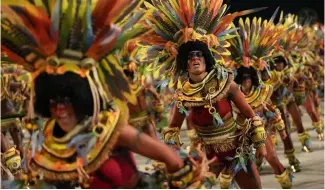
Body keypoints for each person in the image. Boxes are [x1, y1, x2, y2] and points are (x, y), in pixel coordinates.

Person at [1, 0, 212, 188]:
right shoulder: (49, 142)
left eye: (66, 99)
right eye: (53, 101)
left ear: (81, 97)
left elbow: (173, 161)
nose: (59, 108)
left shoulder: (111, 130)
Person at [141, 0, 267, 188]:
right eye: (190, 56)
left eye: (199, 55)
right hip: (207, 156)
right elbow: (173, 129)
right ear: (186, 64)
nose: (195, 58)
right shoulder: (184, 95)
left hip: (237, 149)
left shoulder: (226, 85)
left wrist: (262, 146)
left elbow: (251, 115)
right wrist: (171, 156)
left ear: (207, 60)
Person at [228, 14, 293, 188]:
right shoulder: (233, 94)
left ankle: (286, 182)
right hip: (240, 135)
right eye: (244, 78)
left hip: (260, 131)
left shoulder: (262, 92)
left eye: (250, 78)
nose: (247, 80)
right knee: (235, 164)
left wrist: (281, 130)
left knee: (272, 158)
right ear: (240, 79)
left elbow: (271, 109)